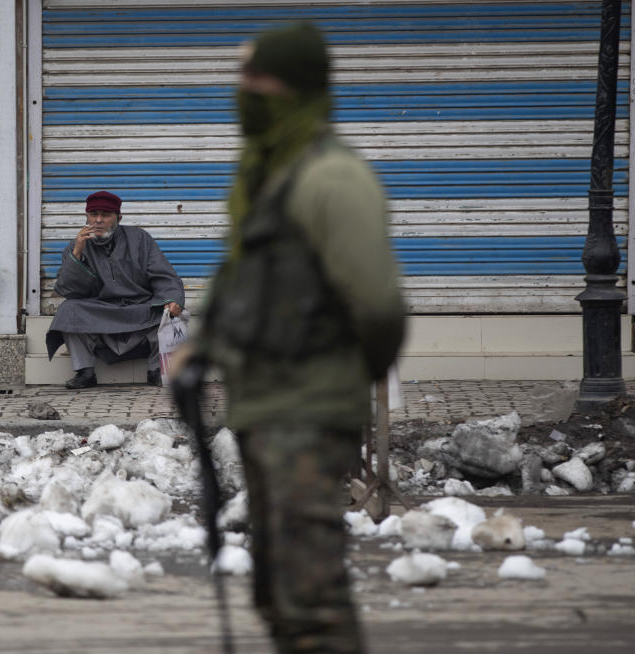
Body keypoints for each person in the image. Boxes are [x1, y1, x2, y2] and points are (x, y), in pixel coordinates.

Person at [186, 23, 405, 654]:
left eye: (257, 77)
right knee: (279, 592)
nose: (243, 90)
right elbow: (243, 281)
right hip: (265, 411)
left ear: (295, 85)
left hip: (306, 414)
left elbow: (379, 307)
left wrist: (332, 379)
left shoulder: (332, 178)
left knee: (312, 600)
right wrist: (202, 347)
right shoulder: (267, 177)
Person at [45, 190, 185, 389]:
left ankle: (156, 370)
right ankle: (85, 371)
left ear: (118, 218)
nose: (99, 220)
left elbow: (164, 276)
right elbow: (68, 290)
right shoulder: (76, 246)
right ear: (87, 217)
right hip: (101, 311)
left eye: (106, 215)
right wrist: (77, 253)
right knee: (69, 310)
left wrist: (173, 299)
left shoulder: (140, 239)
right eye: (93, 215)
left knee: (169, 310)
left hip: (139, 309)